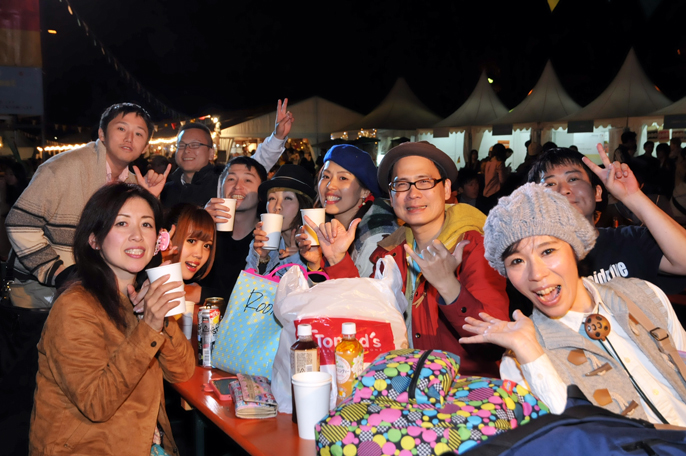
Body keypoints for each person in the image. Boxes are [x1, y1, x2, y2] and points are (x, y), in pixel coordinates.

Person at [461, 183, 686, 425]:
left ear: (575, 248)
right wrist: (531, 354)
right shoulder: (519, 359)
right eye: (517, 261)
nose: (536, 274)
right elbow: (572, 435)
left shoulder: (643, 294)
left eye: (547, 251)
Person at [316, 142, 509, 378]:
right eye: (401, 184)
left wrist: (449, 286)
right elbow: (366, 319)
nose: (413, 193)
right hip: (402, 386)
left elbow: (493, 344)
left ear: (446, 189)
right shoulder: (390, 253)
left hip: (463, 391)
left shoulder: (474, 247)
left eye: (424, 182)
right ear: (391, 196)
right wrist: (337, 259)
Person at [29, 183, 195, 454]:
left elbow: (183, 372)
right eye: (121, 223)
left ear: (157, 241)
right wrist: (149, 326)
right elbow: (96, 403)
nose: (137, 236)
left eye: (146, 224)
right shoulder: (74, 307)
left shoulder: (136, 297)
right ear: (94, 240)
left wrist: (161, 319)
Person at [5, 102, 170, 309]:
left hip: (100, 295)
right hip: (42, 294)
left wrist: (151, 199)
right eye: (121, 128)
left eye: (138, 133)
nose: (129, 138)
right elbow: (19, 223)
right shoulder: (63, 168)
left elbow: (141, 241)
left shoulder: (133, 184)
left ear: (145, 146)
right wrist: (59, 273)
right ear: (102, 133)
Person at [527, 145, 686, 294]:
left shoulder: (630, 241)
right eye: (550, 183)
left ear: (597, 193)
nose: (564, 190)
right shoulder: (530, 260)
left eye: (573, 179)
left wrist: (632, 196)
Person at [160, 99, 294, 209]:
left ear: (211, 153)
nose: (187, 150)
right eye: (181, 145)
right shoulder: (165, 189)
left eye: (195, 145)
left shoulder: (223, 181)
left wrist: (278, 137)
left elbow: (257, 164)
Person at [297, 144, 398, 278]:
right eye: (326, 176)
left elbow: (361, 291)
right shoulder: (328, 227)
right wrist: (315, 262)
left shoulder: (375, 238)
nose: (330, 185)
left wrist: (337, 260)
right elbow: (326, 289)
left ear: (365, 191)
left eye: (343, 178)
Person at [197, 156, 269, 303]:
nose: (237, 186)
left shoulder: (267, 238)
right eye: (231, 179)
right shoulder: (208, 230)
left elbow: (261, 298)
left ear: (261, 194)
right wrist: (199, 224)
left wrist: (203, 294)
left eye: (247, 180)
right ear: (221, 188)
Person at [247, 164, 316, 275]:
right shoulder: (261, 241)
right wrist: (261, 258)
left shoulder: (315, 244)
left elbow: (318, 284)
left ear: (303, 205)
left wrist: (295, 259)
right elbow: (247, 284)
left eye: (287, 198)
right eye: (272, 198)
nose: (277, 206)